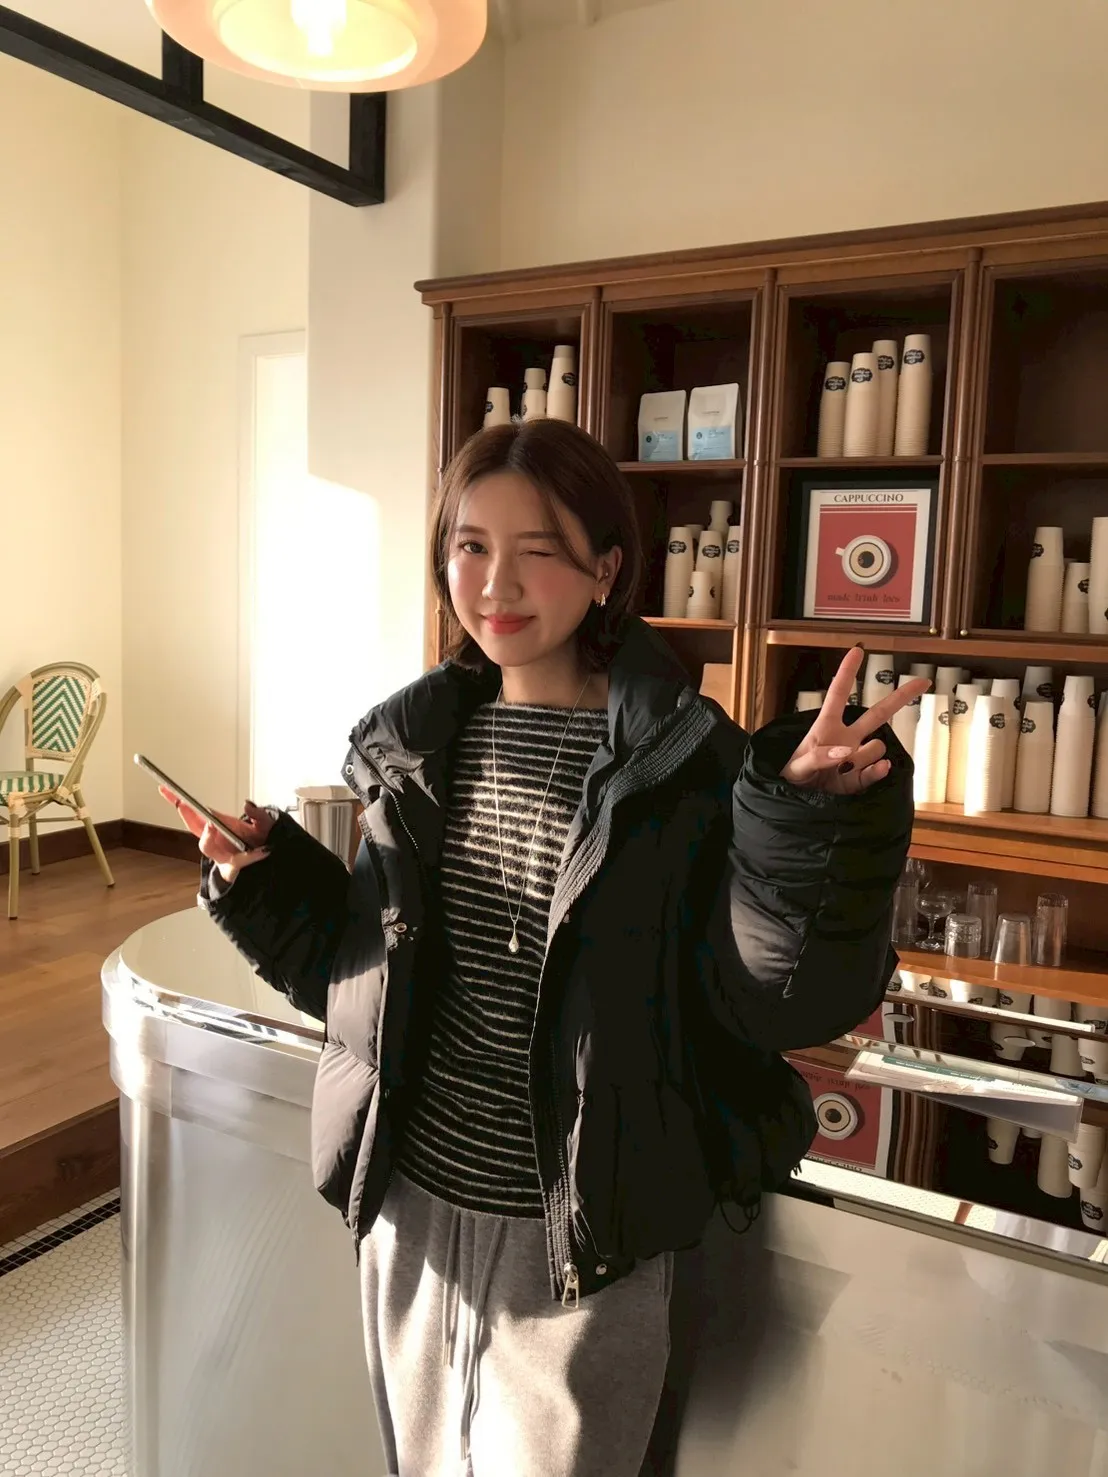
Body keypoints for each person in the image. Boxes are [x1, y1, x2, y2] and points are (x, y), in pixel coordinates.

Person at [163, 419, 923, 1477]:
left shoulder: (683, 762)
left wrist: (801, 823)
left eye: (539, 549)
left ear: (606, 569)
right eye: (470, 546)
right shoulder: (414, 748)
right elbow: (363, 976)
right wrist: (263, 879)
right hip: (412, 1210)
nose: (496, 583)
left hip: (579, 1240)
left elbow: (769, 996)